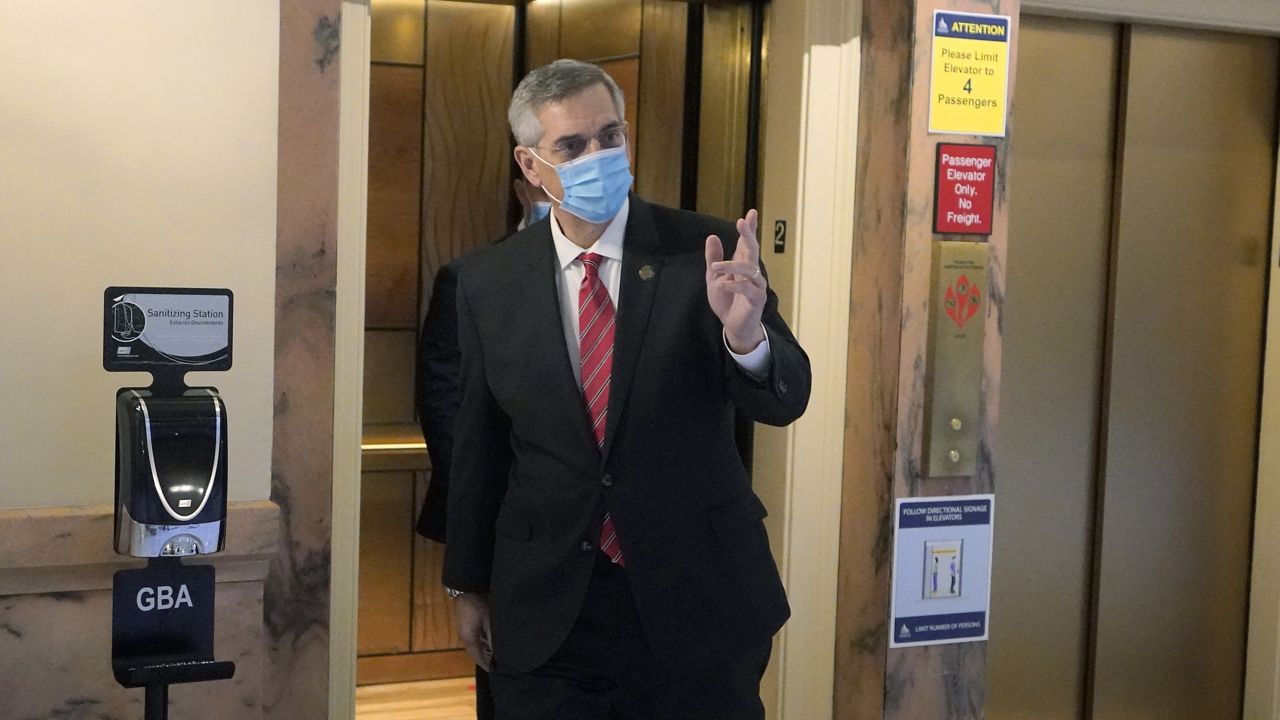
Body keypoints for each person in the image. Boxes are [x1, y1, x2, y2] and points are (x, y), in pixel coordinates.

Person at [442, 58, 811, 719]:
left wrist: (747, 338)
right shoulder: (487, 282)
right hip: (550, 607)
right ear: (531, 166)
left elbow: (783, 399)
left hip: (697, 598)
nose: (598, 156)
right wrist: (467, 584)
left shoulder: (707, 250)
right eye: (573, 146)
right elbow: (480, 443)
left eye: (610, 136)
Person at [416, 180, 552, 720]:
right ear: (523, 184)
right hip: (506, 534)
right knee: (509, 686)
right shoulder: (472, 277)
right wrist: (469, 566)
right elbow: (446, 406)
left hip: (614, 548)